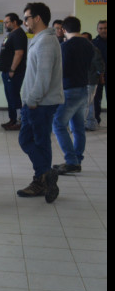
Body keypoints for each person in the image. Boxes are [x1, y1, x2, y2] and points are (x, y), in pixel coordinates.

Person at [16, 2, 63, 203]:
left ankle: (43, 176)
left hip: (40, 103)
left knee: (29, 140)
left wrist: (32, 101)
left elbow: (43, 76)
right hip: (36, 102)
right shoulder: (39, 39)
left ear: (37, 18)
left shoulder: (46, 42)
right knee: (37, 141)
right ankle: (44, 177)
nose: (24, 21)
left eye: (26, 17)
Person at [52, 16, 96, 175]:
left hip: (69, 90)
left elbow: (62, 70)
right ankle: (77, 159)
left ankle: (71, 161)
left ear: (63, 29)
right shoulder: (88, 45)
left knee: (58, 124)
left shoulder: (65, 46)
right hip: (84, 89)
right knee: (78, 128)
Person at [0, 13, 27, 131]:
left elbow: (19, 53)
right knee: (10, 97)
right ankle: (12, 120)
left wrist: (12, 69)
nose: (5, 25)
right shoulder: (11, 34)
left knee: (14, 97)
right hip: (7, 71)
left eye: (7, 22)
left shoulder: (18, 34)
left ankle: (19, 121)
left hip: (14, 72)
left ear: (14, 22)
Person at [83, 31, 105, 131]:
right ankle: (91, 123)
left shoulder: (93, 50)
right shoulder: (82, 50)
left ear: (90, 40)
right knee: (90, 103)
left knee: (87, 103)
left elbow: (100, 66)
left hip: (91, 81)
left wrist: (99, 75)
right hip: (85, 80)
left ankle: (87, 123)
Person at [91, 20, 107, 127]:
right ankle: (96, 120)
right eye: (101, 28)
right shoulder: (93, 43)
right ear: (97, 29)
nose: (103, 30)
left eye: (105, 28)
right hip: (98, 76)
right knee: (97, 99)